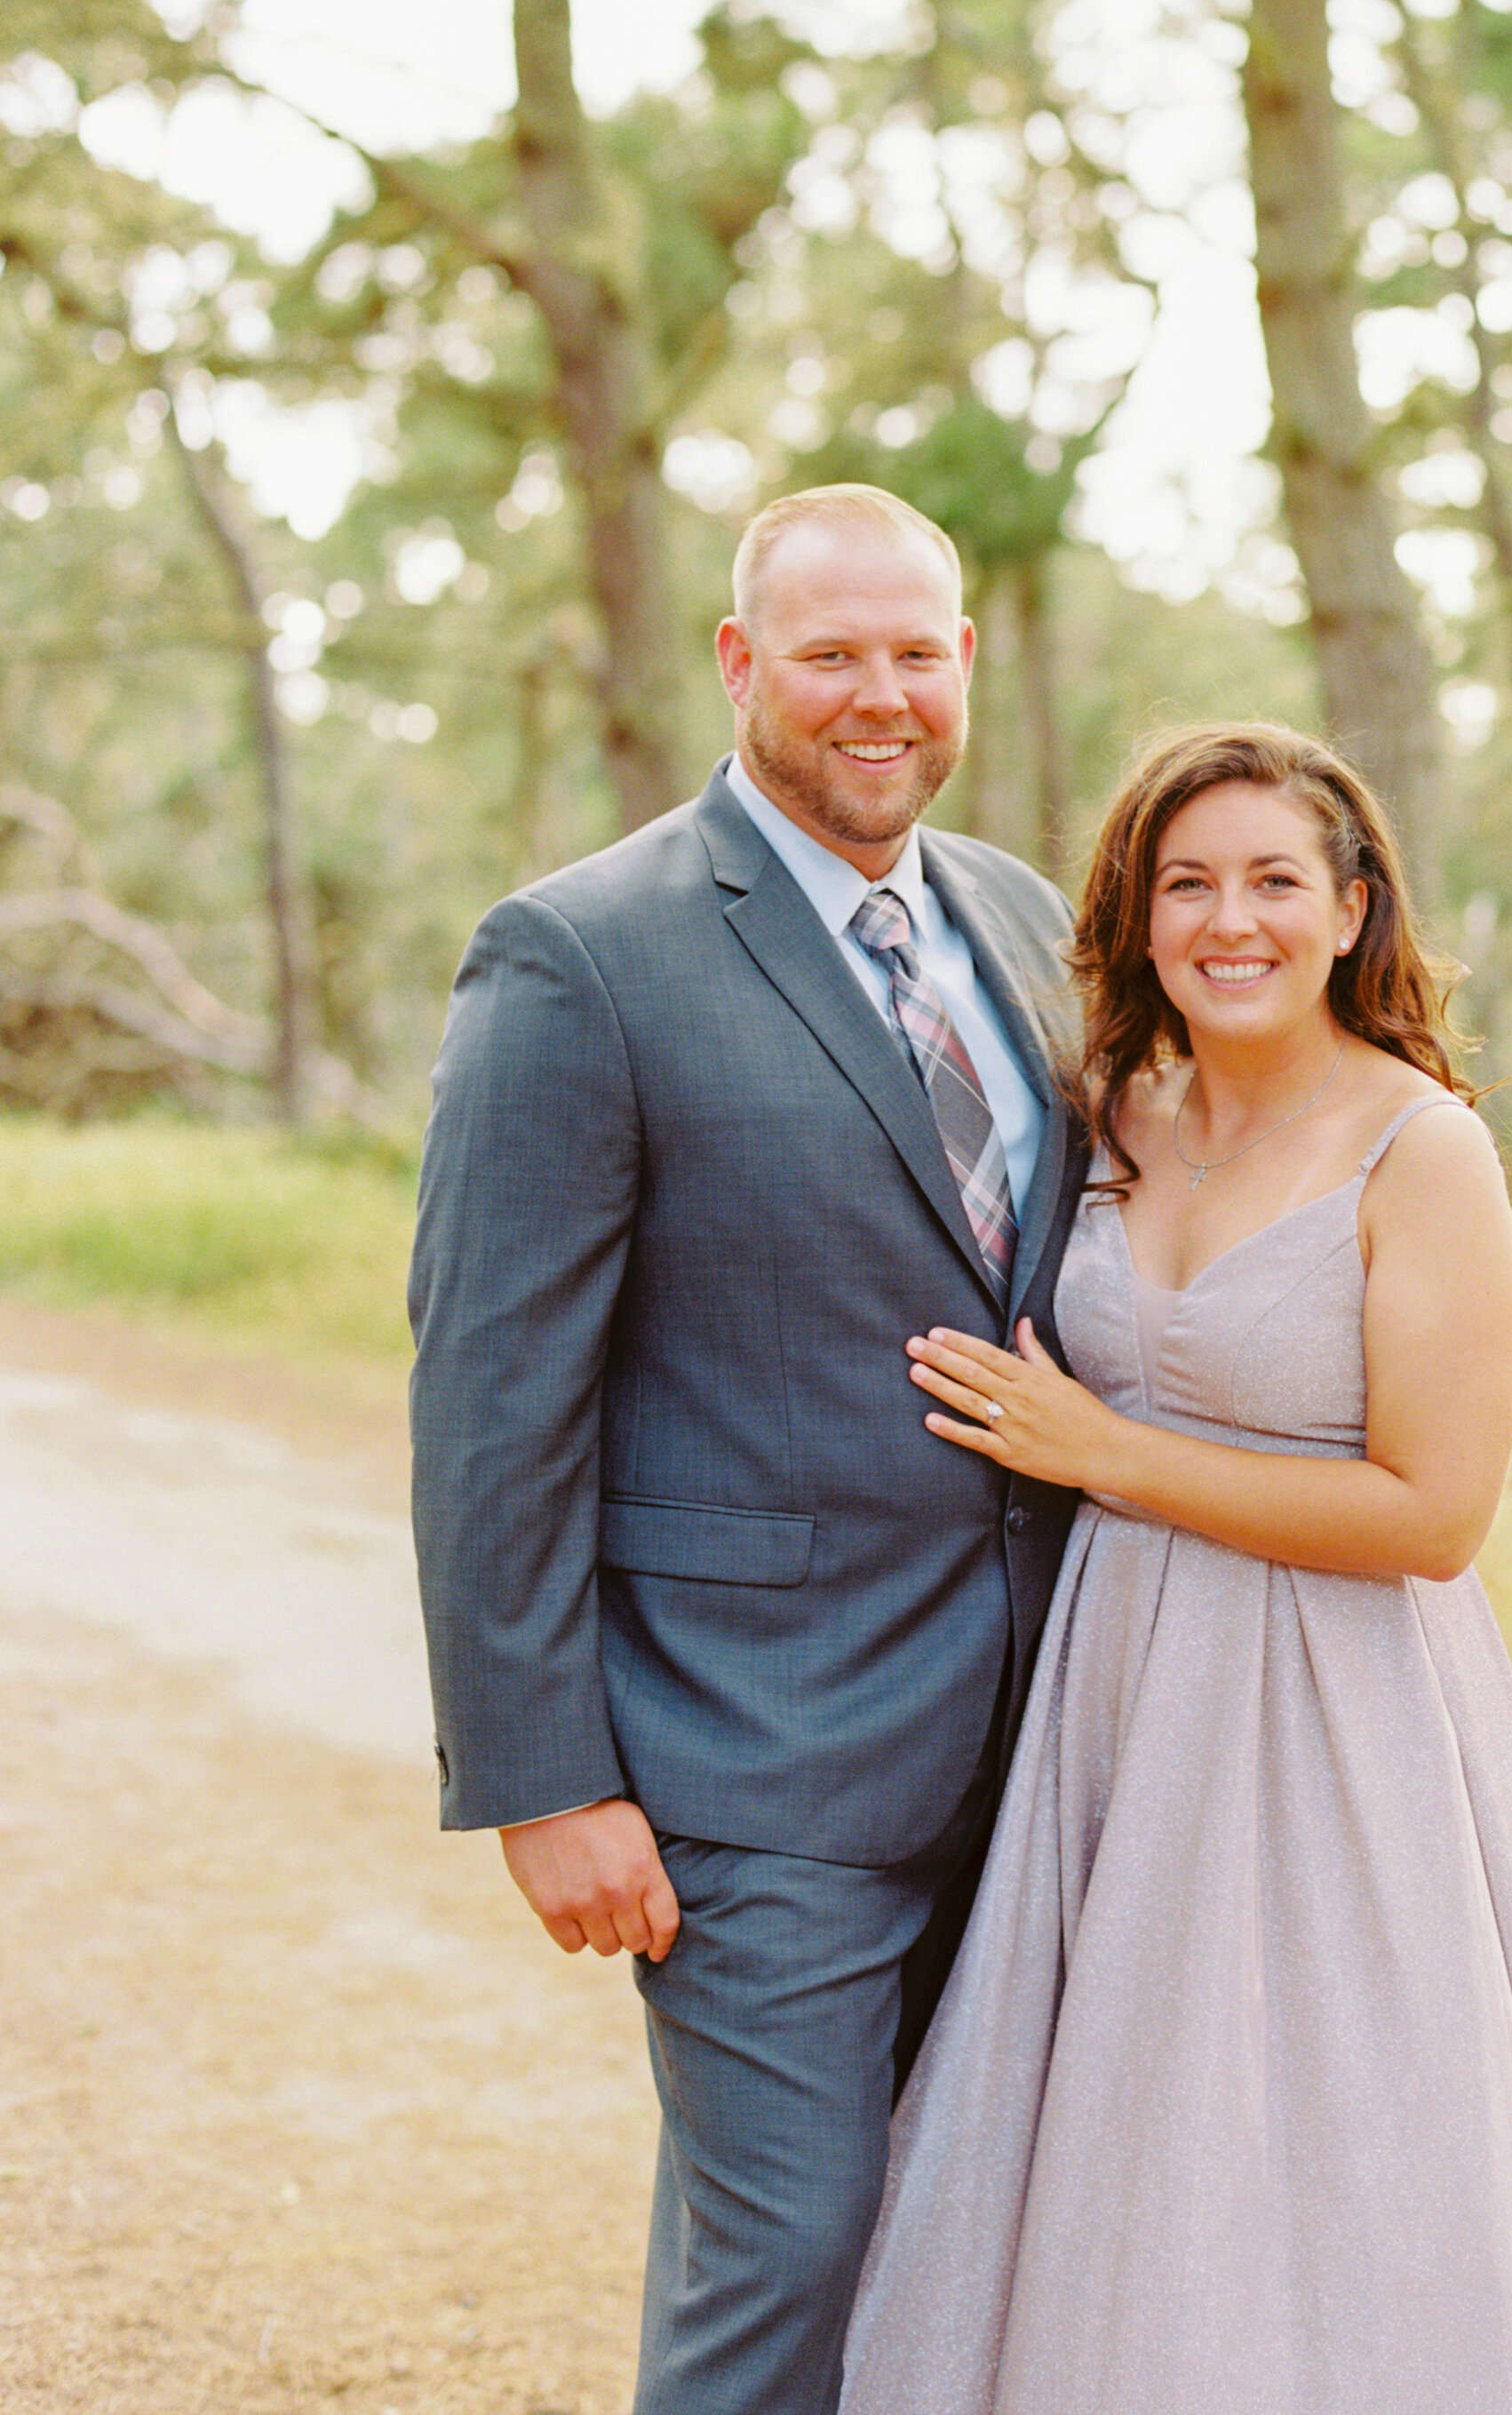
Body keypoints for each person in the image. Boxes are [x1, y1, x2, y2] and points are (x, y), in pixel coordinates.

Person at [840, 720, 1512, 2415]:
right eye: (1187, 884)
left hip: (1342, 1714)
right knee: (1129, 2129)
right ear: (1137, 921)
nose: (1232, 921)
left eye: (1276, 881)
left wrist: (1107, 1454)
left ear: (1353, 911)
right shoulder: (1109, 1116)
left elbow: (1435, 1515)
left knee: (1352, 2133)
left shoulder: (1419, 1148)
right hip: (1117, 1695)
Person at [408, 484, 1084, 2415]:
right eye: (829, 654)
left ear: (965, 662)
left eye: (914, 652)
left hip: (1042, 1732)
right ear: (739, 664)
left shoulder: (1025, 922)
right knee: (785, 2257)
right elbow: (488, 1401)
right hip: (747, 1752)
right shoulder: (578, 957)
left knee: (974, 2251)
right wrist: (543, 1779)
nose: (878, 696)